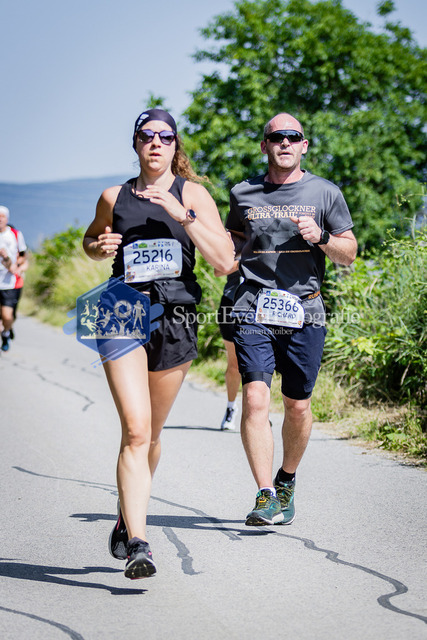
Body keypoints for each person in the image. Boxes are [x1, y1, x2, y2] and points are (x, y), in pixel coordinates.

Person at [83, 108, 234, 579]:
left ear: (174, 145)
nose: (155, 143)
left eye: (164, 136)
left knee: (151, 435)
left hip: (176, 314)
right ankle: (139, 543)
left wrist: (182, 215)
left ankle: (127, 512)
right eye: (146, 135)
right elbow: (91, 239)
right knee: (135, 429)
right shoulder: (114, 196)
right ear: (135, 143)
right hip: (122, 309)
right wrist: (98, 248)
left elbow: (225, 261)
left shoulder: (194, 195)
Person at [226, 112, 357, 527]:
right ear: (264, 145)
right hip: (253, 307)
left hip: (306, 309)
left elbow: (349, 253)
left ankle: (286, 479)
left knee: (297, 407)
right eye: (276, 136)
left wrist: (321, 237)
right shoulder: (242, 193)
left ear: (304, 145)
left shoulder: (325, 192)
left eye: (292, 136)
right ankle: (265, 494)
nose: (284, 142)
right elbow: (232, 244)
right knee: (255, 398)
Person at [215, 264, 241, 430]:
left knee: (262, 363)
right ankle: (231, 407)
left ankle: (259, 411)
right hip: (231, 303)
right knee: (234, 364)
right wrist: (247, 257)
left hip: (261, 304)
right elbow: (219, 271)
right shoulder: (235, 246)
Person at [0, 205, 28, 352]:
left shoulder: (15, 235)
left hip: (9, 283)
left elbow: (23, 256)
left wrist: (16, 265)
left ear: (7, 218)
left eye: (2, 216)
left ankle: (6, 333)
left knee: (7, 316)